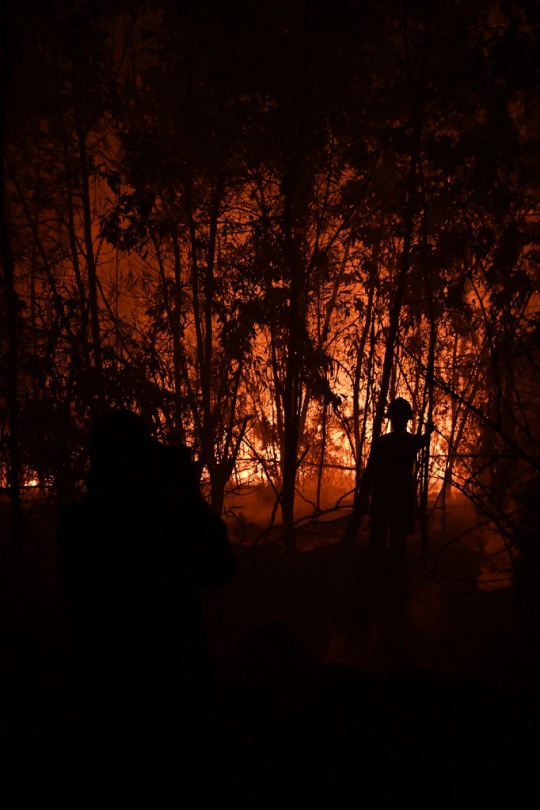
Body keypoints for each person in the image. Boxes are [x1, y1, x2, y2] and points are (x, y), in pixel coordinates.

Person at [57, 410, 237, 796]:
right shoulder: (157, 525)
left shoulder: (76, 525)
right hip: (173, 706)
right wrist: (185, 495)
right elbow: (220, 569)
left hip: (105, 710)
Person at [358, 398, 434, 618]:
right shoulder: (410, 442)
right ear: (406, 420)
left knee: (378, 543)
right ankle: (394, 591)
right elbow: (422, 441)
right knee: (397, 545)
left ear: (391, 420)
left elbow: (371, 470)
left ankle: (374, 589)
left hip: (383, 499)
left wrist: (364, 495)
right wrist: (428, 432)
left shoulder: (382, 443)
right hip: (399, 500)